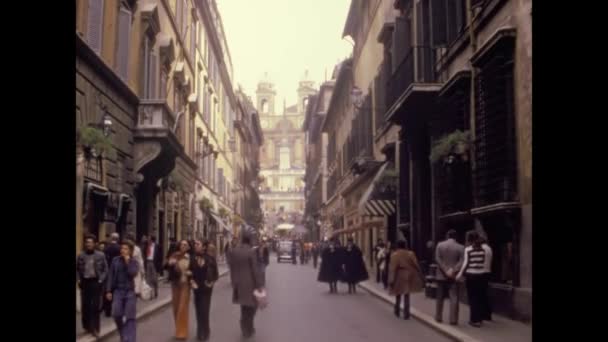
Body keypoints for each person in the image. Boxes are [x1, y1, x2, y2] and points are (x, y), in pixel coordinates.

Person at [229, 234, 265, 338]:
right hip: (250, 284)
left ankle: (246, 326)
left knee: (243, 306)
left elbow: (231, 266)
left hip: (238, 283)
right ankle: (247, 327)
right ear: (249, 241)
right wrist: (259, 285)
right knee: (252, 307)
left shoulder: (234, 251)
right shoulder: (251, 252)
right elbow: (254, 269)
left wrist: (233, 281)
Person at [106, 240, 139, 342]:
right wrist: (108, 291)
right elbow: (110, 276)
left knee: (130, 317)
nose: (123, 251)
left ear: (130, 251)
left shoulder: (134, 262)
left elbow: (132, 273)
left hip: (130, 292)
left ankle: (130, 339)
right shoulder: (115, 260)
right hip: (118, 291)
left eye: (126, 249)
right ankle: (123, 334)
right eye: (122, 248)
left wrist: (127, 262)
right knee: (117, 314)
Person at [77, 234, 108, 338]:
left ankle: (95, 328)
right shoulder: (81, 255)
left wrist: (100, 280)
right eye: (87, 243)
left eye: (90, 243)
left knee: (95, 306)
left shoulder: (100, 255)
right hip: (85, 283)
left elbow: (105, 269)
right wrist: (78, 279)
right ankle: (87, 326)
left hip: (95, 282)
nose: (88, 244)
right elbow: (77, 269)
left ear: (94, 244)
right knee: (85, 306)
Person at [456, 231, 490, 327]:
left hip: (471, 276)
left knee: (472, 298)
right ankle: (479, 318)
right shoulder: (483, 249)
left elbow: (466, 263)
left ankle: (474, 320)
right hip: (481, 275)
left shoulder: (468, 249)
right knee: (479, 297)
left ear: (469, 239)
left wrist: (459, 275)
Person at [190, 240, 219, 341]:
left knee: (204, 311)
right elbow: (190, 272)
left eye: (198, 244)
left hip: (206, 289)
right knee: (198, 311)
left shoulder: (210, 259)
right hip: (196, 289)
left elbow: (216, 274)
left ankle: (205, 332)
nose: (195, 246)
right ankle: (199, 332)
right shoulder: (193, 258)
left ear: (204, 247)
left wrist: (211, 283)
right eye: (195, 244)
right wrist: (191, 281)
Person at [434, 229, 465, 325]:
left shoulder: (440, 245)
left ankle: (438, 316)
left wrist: (445, 270)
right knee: (454, 297)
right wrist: (453, 270)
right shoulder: (461, 247)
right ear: (456, 237)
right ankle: (453, 319)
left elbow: (438, 259)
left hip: (441, 275)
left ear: (447, 236)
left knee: (439, 297)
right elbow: (462, 261)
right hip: (454, 276)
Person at [388, 239, 424, 319]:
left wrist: (391, 279)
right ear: (405, 245)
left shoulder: (395, 255)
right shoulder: (410, 254)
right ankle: (406, 313)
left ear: (397, 246)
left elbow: (393, 268)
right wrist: (420, 274)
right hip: (409, 275)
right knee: (406, 294)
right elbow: (416, 264)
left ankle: (397, 309)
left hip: (399, 275)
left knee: (398, 293)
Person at [166, 240, 193, 339]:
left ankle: (182, 333)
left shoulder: (190, 257)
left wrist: (191, 273)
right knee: (176, 308)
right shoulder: (175, 255)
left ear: (189, 247)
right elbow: (166, 265)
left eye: (186, 244)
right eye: (182, 244)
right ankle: (178, 329)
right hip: (175, 284)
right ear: (179, 246)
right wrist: (170, 263)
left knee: (182, 308)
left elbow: (195, 269)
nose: (183, 246)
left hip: (186, 285)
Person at [103, 233, 121, 317]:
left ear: (111, 238)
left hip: (108, 271)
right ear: (117, 239)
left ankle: (107, 311)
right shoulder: (119, 248)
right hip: (117, 272)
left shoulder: (107, 248)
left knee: (108, 290)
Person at [479, 236, 493, 322]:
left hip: (481, 272)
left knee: (481, 294)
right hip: (488, 271)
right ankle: (487, 313)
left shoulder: (481, 249)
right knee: (485, 293)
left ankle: (484, 313)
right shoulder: (489, 248)